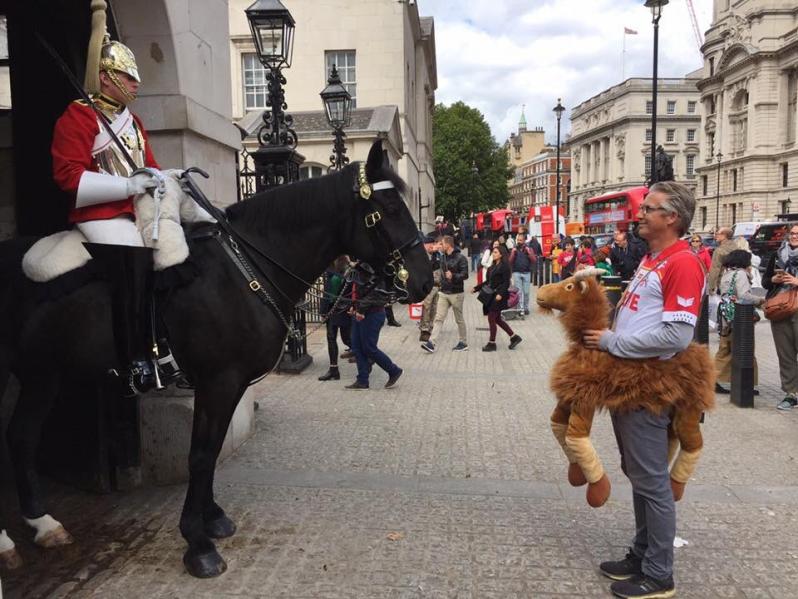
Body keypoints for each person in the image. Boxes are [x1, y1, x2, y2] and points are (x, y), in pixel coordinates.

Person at [583, 181, 705, 598]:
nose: (640, 213)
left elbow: (675, 335)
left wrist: (612, 342)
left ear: (671, 217)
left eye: (649, 208)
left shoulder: (683, 263)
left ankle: (658, 573)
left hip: (648, 385)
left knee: (651, 480)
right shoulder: (655, 258)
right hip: (628, 381)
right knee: (639, 474)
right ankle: (641, 553)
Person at [51, 26, 169, 396]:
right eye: (127, 77)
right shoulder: (78, 117)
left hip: (134, 214)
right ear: (105, 77)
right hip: (98, 216)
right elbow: (68, 176)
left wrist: (161, 179)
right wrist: (127, 186)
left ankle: (164, 343)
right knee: (131, 263)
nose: (135, 85)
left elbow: (149, 164)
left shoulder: (133, 123)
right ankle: (132, 358)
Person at [714, 250, 763, 395]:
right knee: (745, 350)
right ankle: (747, 384)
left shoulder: (726, 274)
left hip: (726, 317)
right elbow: (744, 296)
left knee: (725, 350)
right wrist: (760, 300)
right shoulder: (741, 274)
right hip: (740, 317)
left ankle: (712, 379)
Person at [345, 271, 403, 390]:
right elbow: (360, 290)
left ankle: (394, 370)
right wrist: (354, 306)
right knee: (357, 347)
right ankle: (362, 380)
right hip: (362, 311)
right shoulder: (361, 267)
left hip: (372, 313)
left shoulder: (372, 268)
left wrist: (360, 309)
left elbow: (374, 293)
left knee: (369, 348)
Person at [763, 223, 798, 410]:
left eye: (797, 234)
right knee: (786, 354)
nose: (794, 237)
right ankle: (791, 393)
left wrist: (796, 281)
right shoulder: (778, 254)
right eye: (792, 233)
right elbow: (765, 281)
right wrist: (774, 280)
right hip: (781, 306)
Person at [422, 235, 469, 352]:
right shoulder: (442, 257)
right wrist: (432, 253)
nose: (440, 246)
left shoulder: (461, 258)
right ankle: (431, 343)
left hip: (456, 293)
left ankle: (463, 342)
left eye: (442, 244)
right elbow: (432, 266)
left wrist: (454, 276)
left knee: (459, 319)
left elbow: (465, 275)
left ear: (448, 245)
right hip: (443, 292)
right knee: (439, 318)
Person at [473, 246, 522, 352]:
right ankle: (514, 337)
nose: (493, 254)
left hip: (500, 297)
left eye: (495, 252)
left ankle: (492, 343)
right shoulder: (492, 267)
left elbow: (506, 282)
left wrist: (500, 294)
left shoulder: (505, 267)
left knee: (491, 318)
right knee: (497, 319)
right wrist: (476, 288)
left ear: (501, 254)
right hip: (492, 296)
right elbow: (488, 282)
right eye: (493, 252)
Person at [318, 256, 352, 381]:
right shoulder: (330, 269)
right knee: (331, 337)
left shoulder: (349, 271)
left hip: (343, 309)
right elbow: (327, 291)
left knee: (347, 338)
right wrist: (323, 310)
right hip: (332, 309)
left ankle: (368, 356)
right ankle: (333, 370)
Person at [419, 236, 441, 343]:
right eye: (430, 244)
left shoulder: (436, 255)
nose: (432, 246)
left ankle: (431, 327)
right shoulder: (423, 256)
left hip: (437, 286)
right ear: (425, 245)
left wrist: (437, 254)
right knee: (426, 307)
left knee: (434, 308)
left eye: (433, 244)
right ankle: (424, 330)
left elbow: (440, 266)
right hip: (427, 286)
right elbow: (427, 268)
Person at [509, 233, 535, 316]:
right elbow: (510, 261)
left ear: (524, 240)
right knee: (519, 292)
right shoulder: (514, 249)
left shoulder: (529, 249)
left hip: (526, 273)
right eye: (518, 240)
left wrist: (529, 252)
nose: (519, 242)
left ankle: (526, 307)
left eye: (521, 240)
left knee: (526, 292)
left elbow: (534, 260)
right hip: (517, 272)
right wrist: (513, 253)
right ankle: (521, 309)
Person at [707, 227, 736, 294]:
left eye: (717, 233)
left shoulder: (719, 251)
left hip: (723, 283)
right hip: (736, 283)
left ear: (724, 235)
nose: (715, 236)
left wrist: (711, 287)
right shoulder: (737, 247)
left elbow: (715, 269)